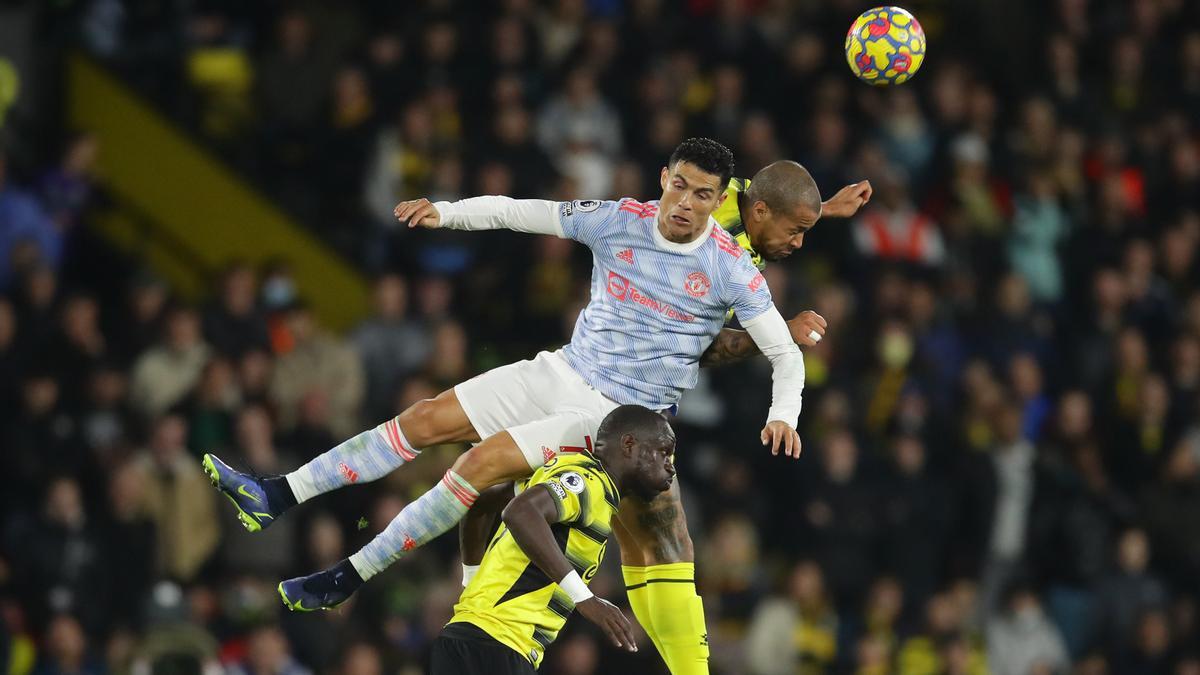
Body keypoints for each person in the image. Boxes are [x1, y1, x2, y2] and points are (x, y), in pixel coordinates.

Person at [202, 139, 839, 673]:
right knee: (424, 419)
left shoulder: (732, 269)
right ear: (664, 180)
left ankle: (348, 575)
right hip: (561, 369)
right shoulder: (617, 218)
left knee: (481, 467)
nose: (686, 203)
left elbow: (784, 354)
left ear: (721, 201)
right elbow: (520, 211)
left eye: (704, 195)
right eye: (680, 187)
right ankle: (276, 495)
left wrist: (785, 412)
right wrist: (445, 213)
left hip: (610, 419)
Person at [430, 404, 677, 673]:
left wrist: (472, 581)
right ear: (629, 445)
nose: (670, 468)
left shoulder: (561, 471)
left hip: (466, 636)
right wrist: (585, 598)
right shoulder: (588, 482)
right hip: (499, 645)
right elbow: (521, 512)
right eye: (664, 452)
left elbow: (480, 504)